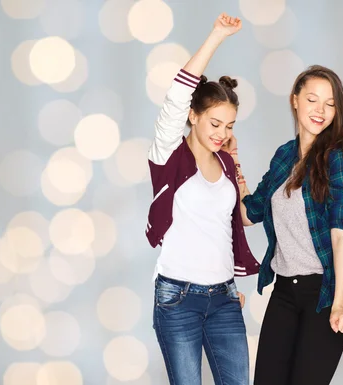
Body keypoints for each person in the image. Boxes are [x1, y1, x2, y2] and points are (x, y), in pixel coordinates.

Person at [226, 65, 343, 385]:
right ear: (295, 100)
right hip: (284, 291)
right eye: (312, 99)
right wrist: (232, 160)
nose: (320, 110)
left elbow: (341, 239)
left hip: (325, 290)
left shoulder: (340, 162)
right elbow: (249, 214)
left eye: (330, 103)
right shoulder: (285, 156)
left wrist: (339, 305)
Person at [144, 13, 259, 385]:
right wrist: (217, 36)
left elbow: (244, 218)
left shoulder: (225, 161)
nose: (221, 133)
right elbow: (177, 95)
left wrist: (237, 160)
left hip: (225, 298)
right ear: (193, 116)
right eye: (214, 123)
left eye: (229, 126)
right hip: (178, 298)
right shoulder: (169, 155)